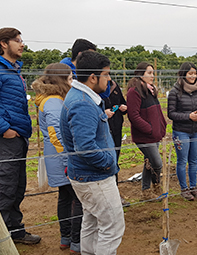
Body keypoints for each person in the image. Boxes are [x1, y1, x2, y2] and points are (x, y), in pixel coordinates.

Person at [60, 51, 125, 254]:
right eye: (106, 75)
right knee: (112, 227)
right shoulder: (83, 103)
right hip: (95, 177)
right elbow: (85, 147)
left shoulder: (81, 97)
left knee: (92, 222)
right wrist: (108, 162)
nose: (109, 79)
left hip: (85, 176)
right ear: (93, 77)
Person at [32, 63, 82, 253]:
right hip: (62, 158)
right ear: (61, 80)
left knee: (65, 197)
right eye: (70, 78)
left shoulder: (53, 99)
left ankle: (66, 238)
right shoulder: (53, 102)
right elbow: (56, 133)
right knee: (77, 199)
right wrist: (69, 158)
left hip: (57, 157)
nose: (72, 81)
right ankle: (76, 242)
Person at [0, 27, 41, 244]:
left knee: (17, 186)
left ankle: (14, 231)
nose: (22, 44)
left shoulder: (14, 70)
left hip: (19, 136)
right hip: (7, 137)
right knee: (5, 186)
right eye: (17, 40)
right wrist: (4, 129)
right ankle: (3, 239)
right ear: (4, 44)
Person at [168, 62, 197, 201]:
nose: (192, 76)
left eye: (194, 73)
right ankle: (184, 189)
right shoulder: (175, 91)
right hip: (181, 131)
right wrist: (188, 116)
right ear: (183, 74)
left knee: (194, 160)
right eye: (189, 73)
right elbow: (171, 113)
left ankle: (193, 187)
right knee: (182, 161)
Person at [126, 62, 167, 201]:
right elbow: (133, 115)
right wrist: (149, 129)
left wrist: (162, 125)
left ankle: (146, 192)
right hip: (145, 136)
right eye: (149, 73)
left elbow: (158, 111)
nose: (152, 76)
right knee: (157, 163)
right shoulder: (134, 92)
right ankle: (156, 186)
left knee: (149, 162)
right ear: (140, 74)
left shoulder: (151, 90)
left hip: (154, 135)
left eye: (153, 73)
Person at [100, 80, 130, 207]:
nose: (108, 76)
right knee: (105, 161)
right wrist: (103, 113)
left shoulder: (114, 85)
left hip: (117, 128)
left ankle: (115, 193)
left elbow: (122, 101)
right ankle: (105, 196)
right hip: (103, 131)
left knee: (115, 160)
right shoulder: (95, 88)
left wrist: (124, 107)